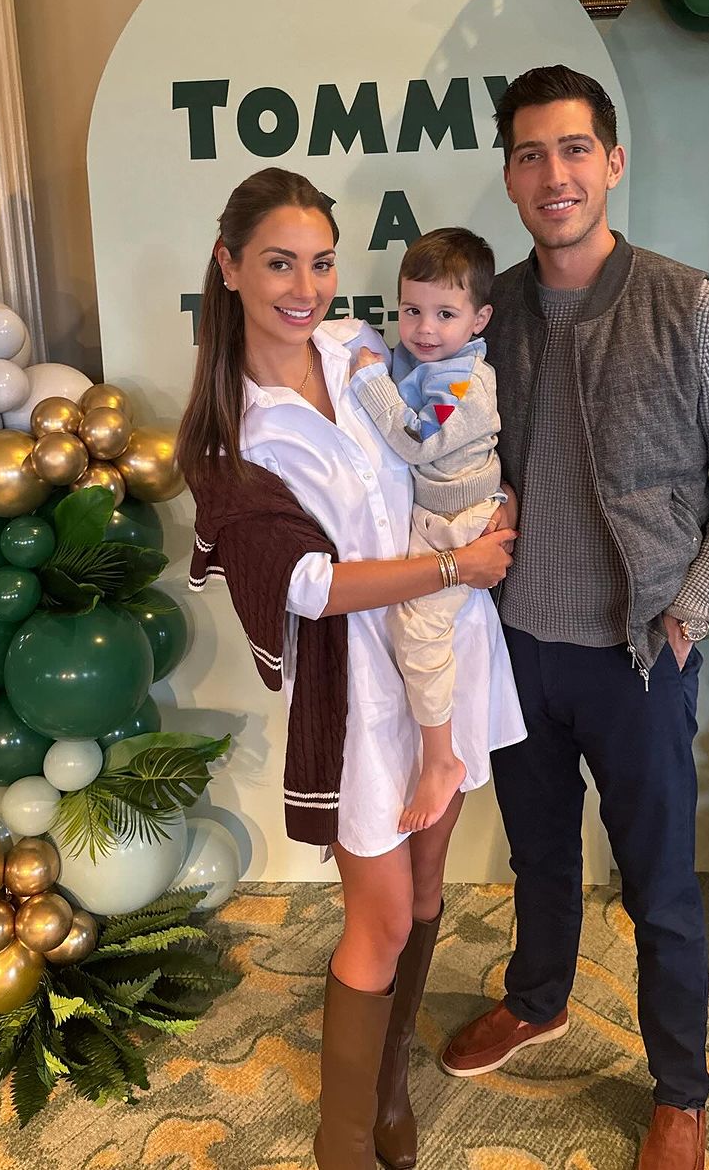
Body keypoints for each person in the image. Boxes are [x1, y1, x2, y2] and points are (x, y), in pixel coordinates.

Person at [440, 66, 709, 1170]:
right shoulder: (486, 317)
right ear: (509, 176)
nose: (555, 174)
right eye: (531, 154)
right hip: (518, 648)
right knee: (538, 853)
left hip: (639, 656)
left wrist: (690, 613)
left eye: (575, 148)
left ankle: (681, 1090)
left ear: (614, 161)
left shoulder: (695, 307)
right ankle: (538, 998)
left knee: (660, 886)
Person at [176, 167, 525, 1170]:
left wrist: (489, 507)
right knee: (378, 915)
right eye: (279, 263)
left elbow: (446, 441)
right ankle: (344, 1145)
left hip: (448, 651)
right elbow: (310, 586)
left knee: (427, 886)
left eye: (322, 262)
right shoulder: (229, 435)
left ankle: (387, 1089)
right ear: (229, 265)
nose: (306, 287)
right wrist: (456, 563)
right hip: (358, 687)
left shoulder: (359, 348)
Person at [348, 227, 505, 834]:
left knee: (416, 632)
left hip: (460, 523)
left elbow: (416, 439)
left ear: (478, 320)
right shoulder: (426, 361)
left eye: (445, 314)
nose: (424, 329)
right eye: (411, 310)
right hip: (437, 516)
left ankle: (442, 760)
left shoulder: (463, 383)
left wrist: (370, 382)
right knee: (398, 625)